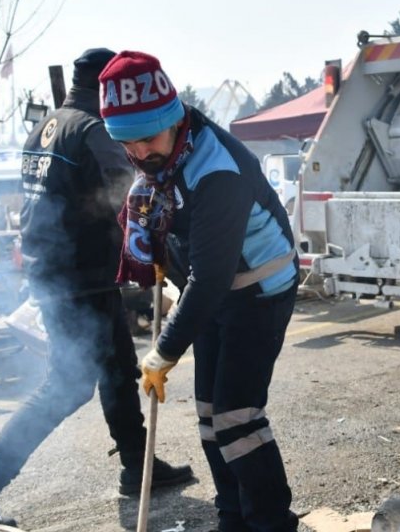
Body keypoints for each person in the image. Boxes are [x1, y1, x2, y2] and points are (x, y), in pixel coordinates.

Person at [0, 48, 193, 523]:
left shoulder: (43, 126)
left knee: (117, 367)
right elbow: (127, 193)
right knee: (67, 385)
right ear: (103, 88)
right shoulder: (90, 128)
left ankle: (136, 464)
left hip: (60, 269)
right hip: (78, 275)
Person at [98, 51, 300, 532]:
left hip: (259, 290)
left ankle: (272, 523)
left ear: (172, 118)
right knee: (210, 415)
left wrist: (164, 352)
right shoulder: (162, 162)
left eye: (148, 138)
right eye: (129, 144)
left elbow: (209, 278)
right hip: (213, 292)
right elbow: (198, 271)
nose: (142, 153)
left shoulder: (216, 171)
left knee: (238, 415)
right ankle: (233, 518)